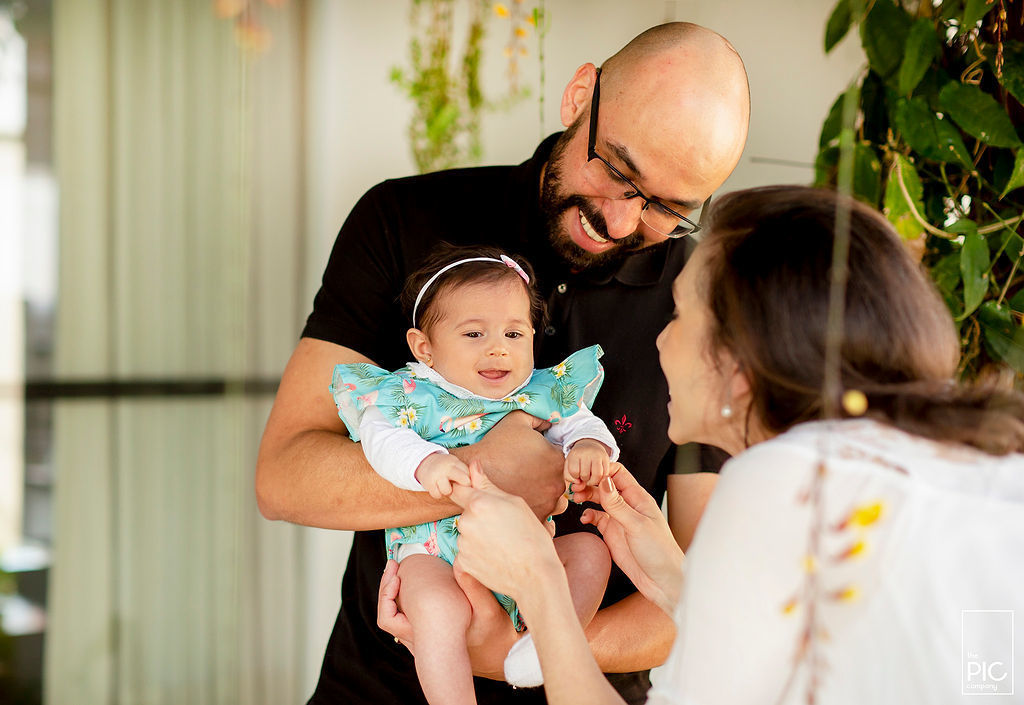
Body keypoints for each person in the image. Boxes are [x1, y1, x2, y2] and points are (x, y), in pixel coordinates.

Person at [255, 21, 750, 704]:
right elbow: (283, 475)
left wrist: (529, 651)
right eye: (617, 170)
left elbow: (700, 582)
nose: (620, 219)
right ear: (580, 96)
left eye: (667, 207)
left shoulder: (703, 301)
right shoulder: (403, 219)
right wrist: (483, 474)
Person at [423, 185, 1024, 704]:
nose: (661, 343)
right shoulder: (963, 468)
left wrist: (538, 584)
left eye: (679, 317)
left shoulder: (784, 479)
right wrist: (675, 577)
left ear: (737, 368)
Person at [330, 245, 619, 701]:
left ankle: (542, 648)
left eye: (513, 333)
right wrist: (426, 463)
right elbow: (380, 440)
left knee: (590, 553)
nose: (498, 348)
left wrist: (588, 444)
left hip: (528, 557)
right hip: (436, 552)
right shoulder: (410, 395)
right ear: (424, 347)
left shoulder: (539, 392)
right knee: (435, 607)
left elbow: (581, 420)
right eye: (474, 334)